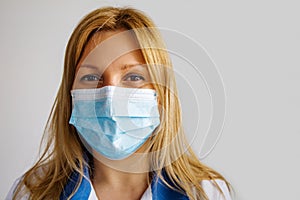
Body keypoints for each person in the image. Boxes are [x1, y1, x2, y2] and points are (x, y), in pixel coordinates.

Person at [7, 6, 232, 200]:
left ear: (161, 95)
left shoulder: (205, 193)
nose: (109, 97)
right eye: (91, 78)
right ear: (70, 95)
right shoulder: (32, 192)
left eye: (133, 77)